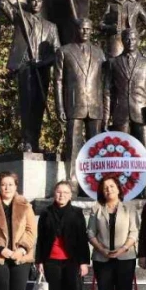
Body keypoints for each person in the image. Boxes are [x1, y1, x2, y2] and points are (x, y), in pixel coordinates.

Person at [0, 0, 62, 152]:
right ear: (29, 1)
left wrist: (42, 62)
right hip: (25, 67)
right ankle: (27, 141)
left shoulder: (51, 27)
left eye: (38, 0)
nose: (35, 2)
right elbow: (2, 3)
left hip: (41, 70)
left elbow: (57, 52)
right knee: (26, 105)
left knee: (39, 106)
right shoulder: (21, 17)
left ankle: (35, 142)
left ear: (42, 3)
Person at [54, 18, 108, 192]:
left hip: (95, 105)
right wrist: (60, 107)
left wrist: (107, 110)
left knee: (96, 148)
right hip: (73, 104)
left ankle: (95, 183)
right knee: (73, 146)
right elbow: (58, 81)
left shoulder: (100, 53)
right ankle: (73, 183)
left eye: (88, 29)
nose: (85, 32)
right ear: (76, 30)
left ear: (92, 30)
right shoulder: (64, 51)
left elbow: (105, 82)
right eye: (81, 29)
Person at [36, 181, 90, 290]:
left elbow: (82, 239)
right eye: (59, 192)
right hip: (51, 261)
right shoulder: (46, 213)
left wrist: (84, 262)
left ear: (71, 195)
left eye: (66, 192)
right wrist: (39, 261)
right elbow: (41, 239)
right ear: (54, 193)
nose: (62, 195)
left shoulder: (77, 213)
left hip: (71, 261)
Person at [87, 176, 139, 290]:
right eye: (105, 187)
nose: (109, 189)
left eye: (112, 186)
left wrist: (122, 249)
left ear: (118, 188)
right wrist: (102, 249)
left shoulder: (129, 208)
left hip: (125, 257)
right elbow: (90, 233)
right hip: (102, 258)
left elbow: (134, 232)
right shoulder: (96, 208)